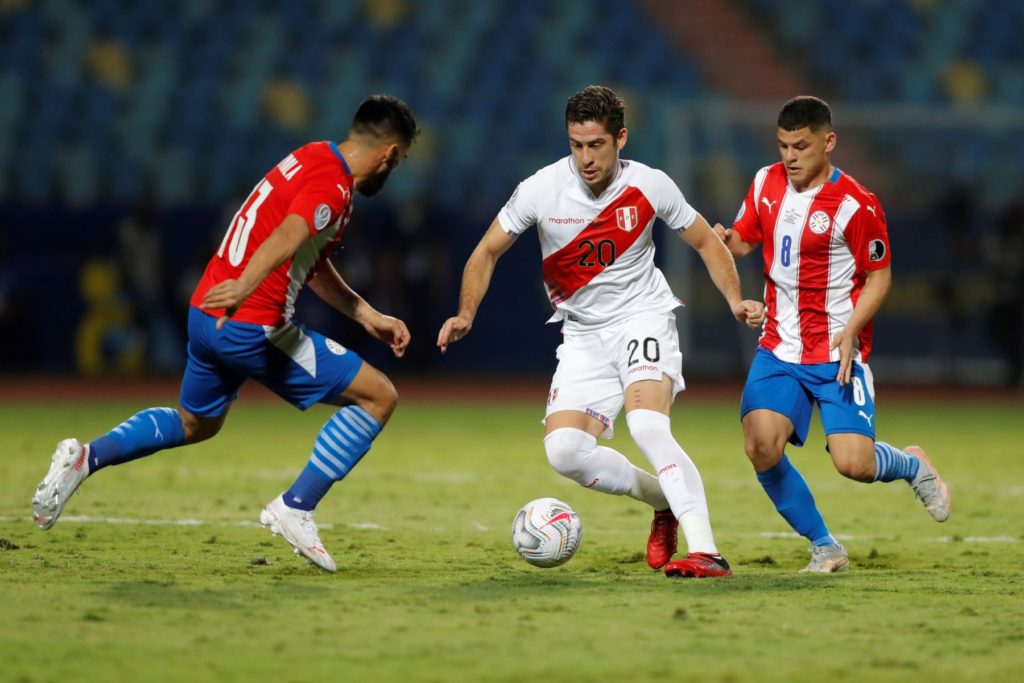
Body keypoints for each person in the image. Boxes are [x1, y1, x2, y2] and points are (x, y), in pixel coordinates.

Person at [31, 95, 420, 572]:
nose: (396, 169)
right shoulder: (333, 186)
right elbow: (288, 236)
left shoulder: (312, 155)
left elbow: (310, 262)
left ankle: (85, 458)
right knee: (378, 396)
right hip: (251, 323)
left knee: (196, 424)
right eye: (400, 160)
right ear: (390, 154)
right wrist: (245, 286)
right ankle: (296, 506)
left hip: (206, 313)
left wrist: (366, 314)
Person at [437, 85, 764, 579]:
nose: (586, 158)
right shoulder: (541, 189)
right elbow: (486, 251)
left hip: (642, 318)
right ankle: (663, 502)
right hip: (583, 335)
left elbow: (705, 241)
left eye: (596, 145)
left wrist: (735, 300)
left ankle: (706, 551)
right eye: (576, 145)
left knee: (648, 426)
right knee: (565, 453)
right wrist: (466, 313)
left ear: (620, 139)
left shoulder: (650, 185)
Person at [713, 95, 952, 573]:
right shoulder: (765, 182)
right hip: (779, 347)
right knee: (760, 445)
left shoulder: (857, 204)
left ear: (829, 142)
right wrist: (723, 241)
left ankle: (911, 464)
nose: (790, 156)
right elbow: (743, 239)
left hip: (836, 352)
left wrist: (851, 330)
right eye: (783, 146)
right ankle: (824, 545)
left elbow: (879, 277)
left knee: (854, 464)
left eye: (801, 146)